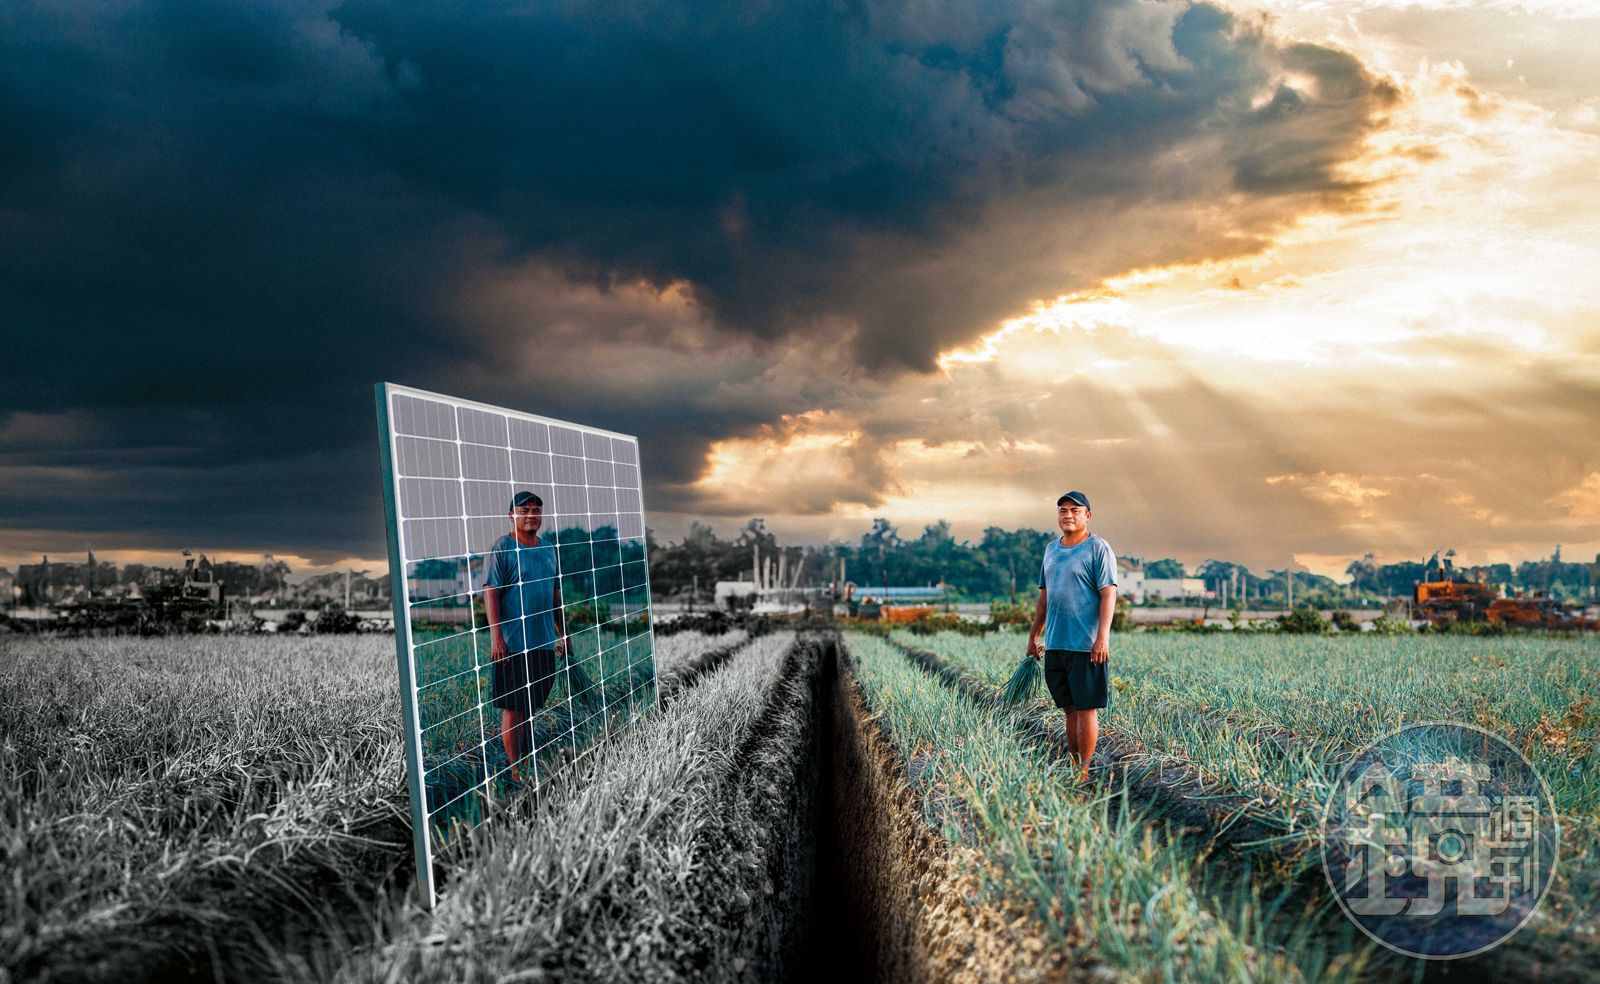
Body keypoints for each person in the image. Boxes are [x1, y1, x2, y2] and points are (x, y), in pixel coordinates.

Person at [1026, 490, 1117, 782]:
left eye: (1075, 510)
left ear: (1087, 515)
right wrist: (1033, 637)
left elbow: (1108, 595)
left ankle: (1083, 772)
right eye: (1063, 510)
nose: (1068, 515)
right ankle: (1073, 767)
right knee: (1070, 710)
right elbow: (1044, 599)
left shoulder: (1098, 549)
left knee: (1086, 710)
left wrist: (1102, 638)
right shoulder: (1052, 550)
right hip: (1056, 644)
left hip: (1086, 645)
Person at [483, 490, 566, 781]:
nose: (531, 515)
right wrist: (497, 639)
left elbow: (555, 594)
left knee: (530, 708)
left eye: (536, 510)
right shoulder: (502, 548)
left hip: (543, 643)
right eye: (524, 510)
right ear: (512, 515)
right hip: (513, 645)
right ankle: (515, 770)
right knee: (514, 708)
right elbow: (490, 593)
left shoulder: (548, 550)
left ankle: (527, 763)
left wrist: (563, 633)